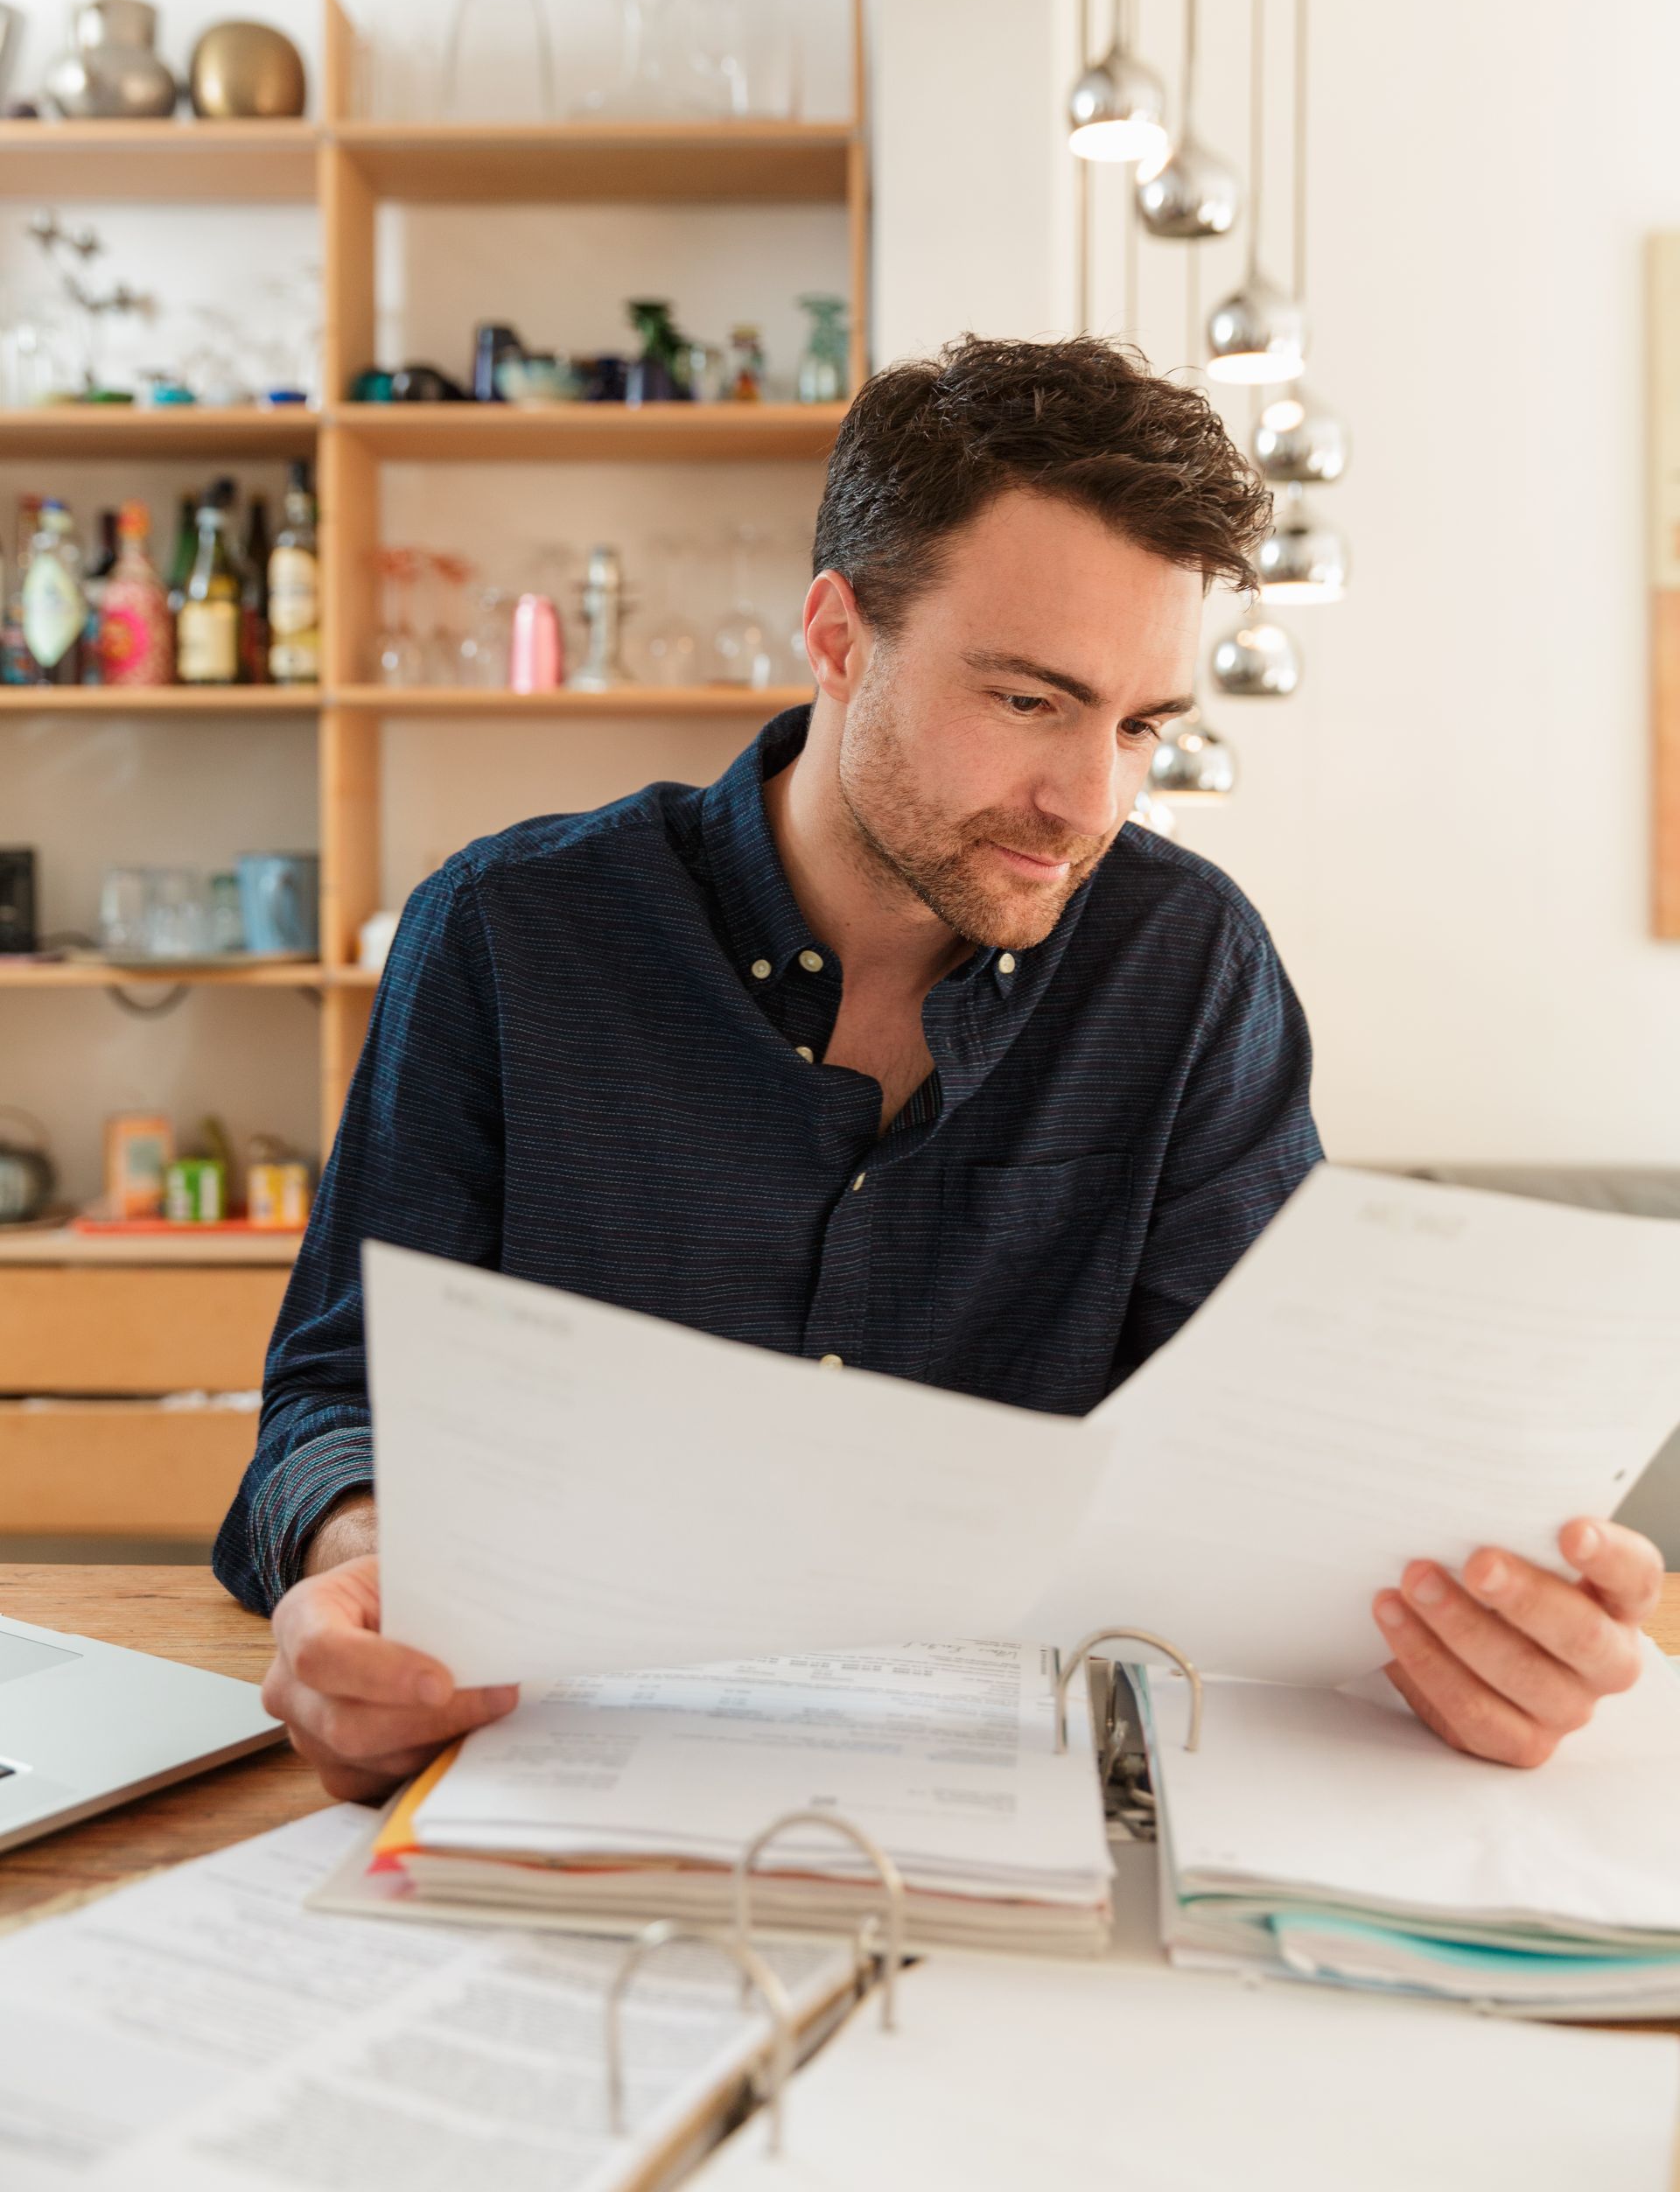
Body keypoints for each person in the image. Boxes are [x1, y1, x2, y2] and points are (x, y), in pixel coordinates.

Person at [217, 335, 1663, 1798]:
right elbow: (334, 1400)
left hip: (1022, 1810)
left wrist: (1468, 1629)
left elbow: (1270, 1475)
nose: (1088, 804)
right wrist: (366, 1563)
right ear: (839, 636)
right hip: (556, 1771)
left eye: (1143, 725)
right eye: (1031, 702)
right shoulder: (509, 934)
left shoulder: (1188, 967)